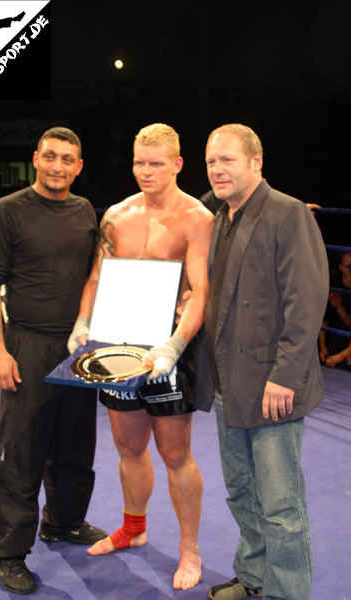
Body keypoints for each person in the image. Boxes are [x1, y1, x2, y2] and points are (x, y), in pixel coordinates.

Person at [68, 123, 215, 590]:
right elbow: (97, 276)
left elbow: (201, 290)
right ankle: (133, 528)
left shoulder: (196, 218)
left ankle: (189, 550)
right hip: (119, 344)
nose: (145, 172)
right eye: (138, 162)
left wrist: (175, 345)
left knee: (175, 452)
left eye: (155, 163)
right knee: (128, 445)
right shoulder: (117, 214)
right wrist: (83, 323)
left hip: (169, 346)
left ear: (176, 164)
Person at [194, 123, 329, 600]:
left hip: (273, 386)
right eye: (211, 160)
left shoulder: (288, 213)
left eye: (227, 159)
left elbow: (308, 300)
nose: (216, 169)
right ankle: (253, 577)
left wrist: (286, 376)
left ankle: (287, 594)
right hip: (229, 382)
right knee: (242, 493)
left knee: (281, 504)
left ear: (256, 161)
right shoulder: (218, 214)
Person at [0, 127, 107, 595]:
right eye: (50, 157)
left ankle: (64, 521)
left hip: (76, 345)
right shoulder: (6, 211)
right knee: (22, 452)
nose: (58, 166)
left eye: (67, 159)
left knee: (75, 443)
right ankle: (9, 551)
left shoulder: (84, 212)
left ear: (78, 165)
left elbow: (98, 275)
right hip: (26, 343)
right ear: (35, 158)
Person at [319, 251, 351, 367]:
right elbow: (325, 320)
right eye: (347, 268)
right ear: (341, 268)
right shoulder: (335, 291)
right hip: (338, 340)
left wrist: (340, 356)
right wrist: (322, 346)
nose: (347, 278)